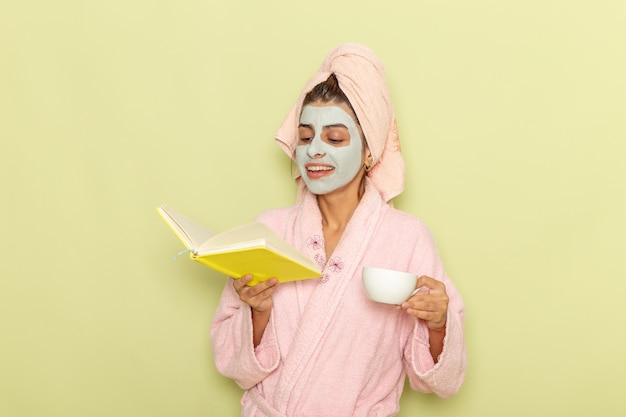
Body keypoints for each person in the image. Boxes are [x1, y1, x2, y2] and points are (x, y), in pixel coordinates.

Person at [210, 43, 466, 417]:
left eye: (334, 138)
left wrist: (439, 323)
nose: (314, 150)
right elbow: (231, 363)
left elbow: (439, 382)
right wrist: (258, 312)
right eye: (305, 136)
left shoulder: (407, 238)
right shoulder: (270, 229)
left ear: (369, 151)